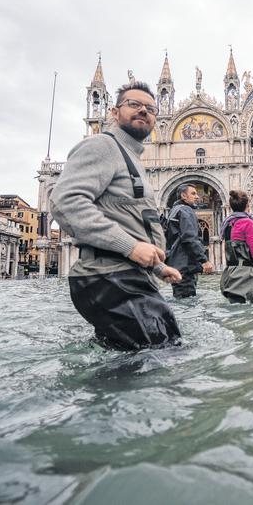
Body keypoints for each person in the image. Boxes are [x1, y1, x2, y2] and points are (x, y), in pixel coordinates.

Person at [49, 81, 183, 351]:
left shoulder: (130, 157)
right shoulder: (102, 146)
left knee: (137, 360)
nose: (143, 111)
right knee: (160, 358)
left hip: (124, 278)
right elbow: (65, 201)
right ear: (113, 112)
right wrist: (131, 248)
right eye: (134, 104)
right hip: (110, 279)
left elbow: (132, 221)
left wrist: (157, 267)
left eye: (150, 108)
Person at [164, 184, 213, 298]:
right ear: (183, 196)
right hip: (185, 267)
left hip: (176, 266)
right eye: (193, 193)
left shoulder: (174, 211)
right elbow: (189, 238)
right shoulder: (185, 210)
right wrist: (204, 260)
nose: (197, 197)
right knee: (188, 303)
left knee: (180, 301)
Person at [219, 191, 253, 304]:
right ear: (248, 205)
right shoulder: (247, 222)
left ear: (231, 206)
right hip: (243, 276)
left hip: (229, 275)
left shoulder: (227, 223)